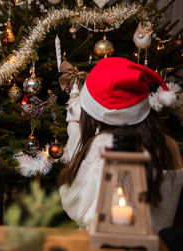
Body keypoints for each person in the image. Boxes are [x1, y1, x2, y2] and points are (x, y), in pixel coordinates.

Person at [58, 57, 183, 233]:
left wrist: (74, 145)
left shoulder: (104, 145)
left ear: (92, 112)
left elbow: (75, 205)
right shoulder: (169, 144)